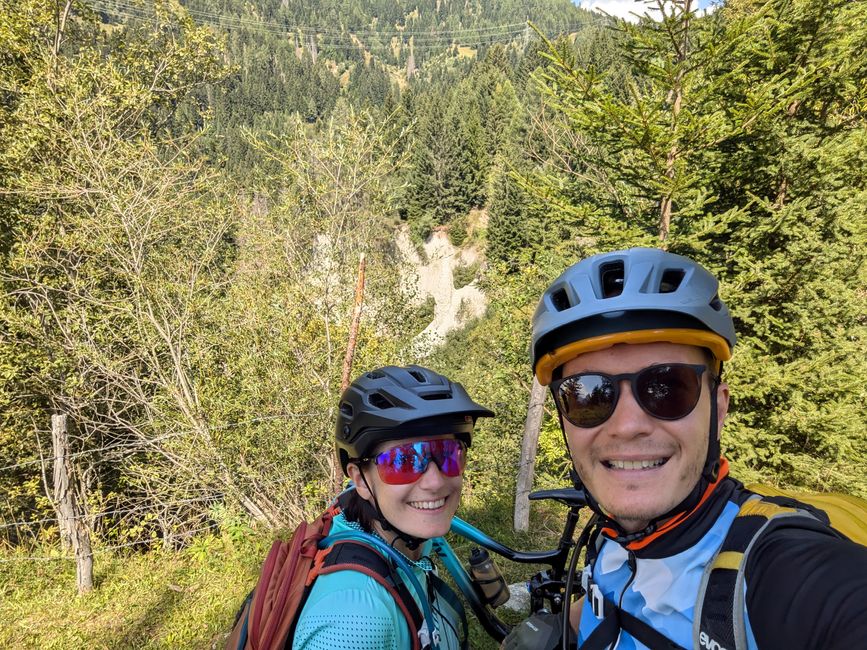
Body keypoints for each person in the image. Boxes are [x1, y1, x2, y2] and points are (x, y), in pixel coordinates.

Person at [519, 247, 867, 649]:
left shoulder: (779, 570)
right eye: (590, 396)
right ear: (564, 418)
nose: (628, 426)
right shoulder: (611, 536)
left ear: (718, 408)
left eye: (667, 388)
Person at [292, 364, 493, 650]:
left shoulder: (394, 536)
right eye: (404, 461)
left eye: (449, 454)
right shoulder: (353, 623)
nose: (435, 482)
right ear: (360, 479)